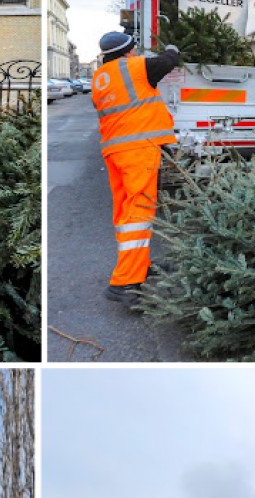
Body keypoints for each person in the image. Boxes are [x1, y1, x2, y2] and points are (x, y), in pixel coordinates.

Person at [91, 32, 180, 306]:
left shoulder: (99, 78)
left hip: (115, 150)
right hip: (137, 149)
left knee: (125, 212)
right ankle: (124, 282)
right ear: (128, 51)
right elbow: (168, 60)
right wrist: (172, 44)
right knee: (139, 213)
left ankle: (139, 266)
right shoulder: (135, 67)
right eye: (134, 49)